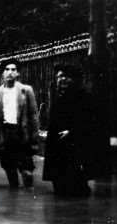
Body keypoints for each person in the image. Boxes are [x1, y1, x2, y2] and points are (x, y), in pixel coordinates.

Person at [42, 64, 96, 196]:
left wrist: (72, 132)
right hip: (59, 144)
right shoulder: (59, 97)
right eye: (59, 77)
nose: (62, 79)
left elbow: (90, 121)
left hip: (75, 143)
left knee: (76, 179)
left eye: (66, 76)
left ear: (74, 79)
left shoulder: (84, 97)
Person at [0, 58, 41, 188]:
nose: (10, 72)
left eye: (13, 70)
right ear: (2, 73)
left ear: (18, 73)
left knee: (27, 169)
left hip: (21, 132)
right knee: (9, 166)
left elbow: (33, 116)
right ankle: (14, 193)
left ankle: (28, 194)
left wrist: (34, 139)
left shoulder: (26, 90)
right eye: (7, 69)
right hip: (5, 133)